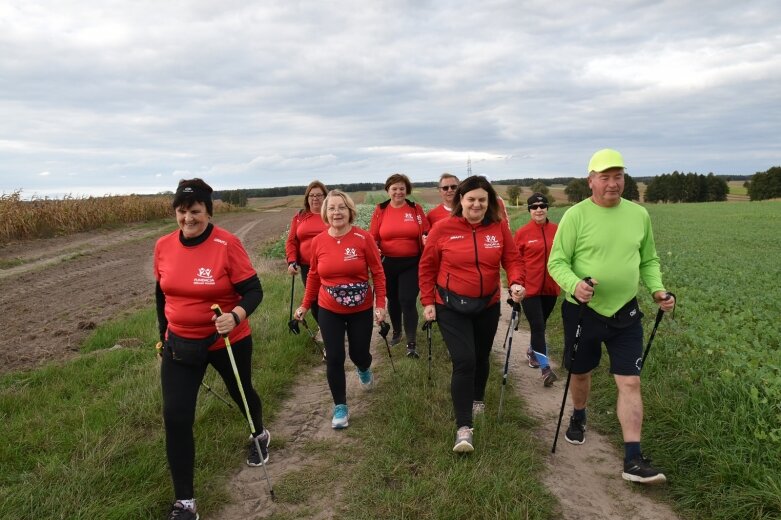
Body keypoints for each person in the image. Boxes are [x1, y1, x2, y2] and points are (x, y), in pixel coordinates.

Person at [547, 149, 676, 484]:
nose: (613, 183)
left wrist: (658, 291)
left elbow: (648, 260)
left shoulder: (639, 215)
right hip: (583, 311)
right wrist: (575, 285)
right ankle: (578, 415)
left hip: (626, 311)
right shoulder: (575, 216)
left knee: (630, 381)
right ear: (591, 180)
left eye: (618, 176)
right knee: (581, 374)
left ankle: (633, 459)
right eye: (605, 177)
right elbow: (557, 262)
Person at [154, 179, 268, 520]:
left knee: (241, 392)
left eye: (196, 211)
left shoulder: (226, 244)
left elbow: (254, 290)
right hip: (179, 343)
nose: (188, 218)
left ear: (208, 212)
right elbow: (161, 294)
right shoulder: (163, 245)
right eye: (182, 211)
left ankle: (259, 433)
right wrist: (163, 335)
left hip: (226, 340)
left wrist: (235, 315)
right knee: (176, 417)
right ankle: (185, 503)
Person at [419, 175, 525, 453]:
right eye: (471, 199)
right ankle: (464, 427)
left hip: (488, 303)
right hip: (450, 304)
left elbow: (512, 258)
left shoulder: (498, 228)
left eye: (482, 199)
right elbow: (427, 267)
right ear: (461, 201)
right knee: (464, 360)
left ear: (489, 201)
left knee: (480, 355)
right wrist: (428, 301)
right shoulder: (442, 229)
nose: (476, 204)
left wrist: (515, 281)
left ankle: (478, 397)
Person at [295, 190, 387, 429]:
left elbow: (377, 273)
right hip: (329, 308)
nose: (337, 212)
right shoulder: (318, 241)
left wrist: (381, 305)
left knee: (358, 354)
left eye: (341, 207)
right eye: (332, 208)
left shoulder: (363, 238)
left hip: (360, 308)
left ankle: (364, 367)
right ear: (326, 212)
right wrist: (305, 305)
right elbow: (314, 275)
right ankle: (340, 407)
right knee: (334, 357)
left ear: (350, 211)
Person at [369, 173, 430, 358]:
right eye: (394, 188)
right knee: (393, 299)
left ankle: (411, 342)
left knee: (407, 300)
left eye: (402, 188)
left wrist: (427, 237)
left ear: (407, 190)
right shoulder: (381, 209)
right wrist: (375, 250)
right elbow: (373, 236)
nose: (398, 192)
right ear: (388, 190)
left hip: (412, 262)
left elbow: (426, 230)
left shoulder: (415, 208)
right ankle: (397, 332)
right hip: (388, 263)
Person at [514, 193, 560, 387]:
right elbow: (515, 262)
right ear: (529, 211)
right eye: (534, 207)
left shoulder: (558, 231)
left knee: (542, 324)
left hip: (551, 288)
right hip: (529, 290)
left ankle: (533, 352)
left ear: (547, 208)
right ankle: (545, 369)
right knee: (538, 326)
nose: (539, 209)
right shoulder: (522, 233)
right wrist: (516, 283)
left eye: (542, 206)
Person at [285, 180, 328, 323]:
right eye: (312, 195)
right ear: (307, 198)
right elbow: (291, 241)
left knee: (331, 298)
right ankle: (325, 329)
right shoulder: (300, 217)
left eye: (319, 195)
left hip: (329, 264)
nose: (315, 198)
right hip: (307, 267)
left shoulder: (331, 214)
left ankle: (338, 326)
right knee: (313, 299)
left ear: (325, 197)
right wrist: (292, 261)